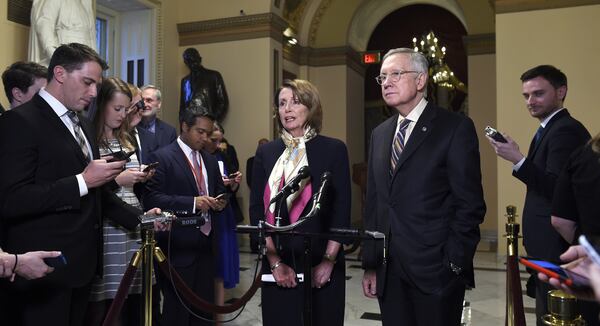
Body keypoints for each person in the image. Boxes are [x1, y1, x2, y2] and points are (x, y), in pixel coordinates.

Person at [0, 43, 160, 326]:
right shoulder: (19, 122)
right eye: (87, 82)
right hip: (41, 270)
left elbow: (99, 192)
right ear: (60, 73)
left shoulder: (84, 125)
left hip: (83, 268)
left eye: (96, 85)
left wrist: (142, 219)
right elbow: (12, 199)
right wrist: (81, 181)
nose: (94, 93)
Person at [361, 48, 485, 326]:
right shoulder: (380, 134)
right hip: (389, 270)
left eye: (396, 74)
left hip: (436, 270)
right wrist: (371, 264)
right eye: (382, 77)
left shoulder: (454, 127)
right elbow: (376, 203)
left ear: (420, 80)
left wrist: (454, 263)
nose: (387, 82)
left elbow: (470, 204)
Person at [487, 64, 591, 324]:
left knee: (560, 316)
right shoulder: (549, 127)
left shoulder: (565, 129)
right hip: (547, 245)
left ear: (561, 91)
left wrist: (518, 159)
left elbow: (557, 190)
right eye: (526, 95)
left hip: (558, 246)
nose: (530, 101)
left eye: (538, 94)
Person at [249, 79, 351, 326]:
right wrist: (275, 263)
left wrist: (328, 261)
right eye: (282, 103)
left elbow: (341, 209)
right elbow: (257, 210)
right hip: (279, 257)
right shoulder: (267, 152)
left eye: (295, 102)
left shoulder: (334, 149)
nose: (287, 109)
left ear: (311, 107)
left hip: (321, 258)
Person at [143, 105, 227, 326]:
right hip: (177, 246)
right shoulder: (162, 157)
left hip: (207, 245)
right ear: (184, 126)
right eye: (200, 132)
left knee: (204, 311)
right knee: (178, 313)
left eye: (208, 133)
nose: (205, 137)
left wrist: (220, 202)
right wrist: (192, 203)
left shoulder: (209, 159)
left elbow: (220, 191)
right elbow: (154, 200)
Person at [84, 77, 156, 325]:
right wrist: (118, 180)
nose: (122, 114)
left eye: (126, 109)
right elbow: (90, 189)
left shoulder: (125, 138)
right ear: (101, 104)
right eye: (117, 109)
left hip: (132, 221)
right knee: (105, 303)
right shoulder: (88, 141)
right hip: (106, 226)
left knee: (132, 299)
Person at [204, 124, 241, 320]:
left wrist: (234, 182)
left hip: (223, 212)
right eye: (213, 140)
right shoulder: (198, 155)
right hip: (206, 213)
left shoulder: (222, 155)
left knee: (221, 267)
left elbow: (231, 190)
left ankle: (218, 317)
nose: (217, 144)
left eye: (220, 140)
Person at [28, 0, 96, 66]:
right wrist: (53, 53)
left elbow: (90, 36)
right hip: (65, 56)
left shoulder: (85, 4)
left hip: (84, 59)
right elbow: (45, 24)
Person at [180, 47, 229, 122]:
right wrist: (183, 127)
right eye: (189, 62)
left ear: (199, 59)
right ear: (186, 63)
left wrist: (212, 121)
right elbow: (183, 108)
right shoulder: (185, 81)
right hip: (189, 127)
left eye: (194, 61)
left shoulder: (213, 76)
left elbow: (223, 102)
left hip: (208, 125)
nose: (192, 65)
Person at [246, 137, 269, 252]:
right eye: (260, 145)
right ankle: (255, 244)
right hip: (257, 193)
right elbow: (250, 179)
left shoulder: (272, 159)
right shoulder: (251, 160)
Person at [140, 84, 178, 149]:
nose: (145, 104)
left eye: (149, 100)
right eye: (142, 101)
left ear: (159, 104)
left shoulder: (169, 132)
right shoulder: (131, 128)